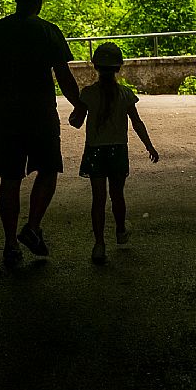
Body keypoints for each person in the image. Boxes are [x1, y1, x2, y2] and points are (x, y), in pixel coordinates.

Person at [0, 0, 84, 267]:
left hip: (3, 120)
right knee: (48, 170)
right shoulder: (48, 32)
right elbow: (64, 76)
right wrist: (80, 105)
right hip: (40, 118)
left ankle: (10, 244)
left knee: (9, 179)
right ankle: (32, 227)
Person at [68, 42, 158, 265]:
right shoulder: (125, 94)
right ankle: (120, 230)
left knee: (98, 199)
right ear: (119, 67)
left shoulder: (88, 94)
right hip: (118, 150)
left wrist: (76, 111)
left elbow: (76, 122)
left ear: (96, 67)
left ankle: (99, 244)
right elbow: (137, 123)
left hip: (95, 151)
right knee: (117, 195)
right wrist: (149, 146)